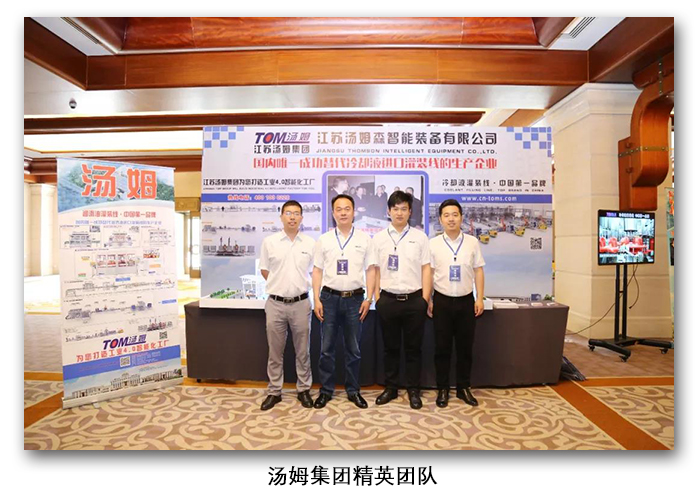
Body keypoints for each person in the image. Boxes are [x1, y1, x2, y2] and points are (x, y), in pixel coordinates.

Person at [312, 194, 376, 409]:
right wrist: (316, 299)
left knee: (353, 349)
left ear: (354, 212)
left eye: (347, 208)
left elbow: (371, 270)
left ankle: (353, 390)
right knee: (326, 349)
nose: (343, 213)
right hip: (328, 299)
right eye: (338, 209)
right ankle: (326, 391)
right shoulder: (324, 239)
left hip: (355, 299)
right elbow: (317, 270)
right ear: (333, 213)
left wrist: (369, 298)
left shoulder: (365, 239)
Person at [372, 190, 431, 409]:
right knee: (391, 348)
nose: (399, 213)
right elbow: (376, 270)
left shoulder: (420, 237)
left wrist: (424, 299)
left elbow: (426, 269)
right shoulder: (379, 238)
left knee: (414, 348)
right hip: (388, 300)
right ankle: (391, 388)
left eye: (403, 209)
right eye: (395, 209)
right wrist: (378, 298)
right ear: (388, 211)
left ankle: (414, 389)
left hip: (414, 301)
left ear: (410, 212)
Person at [258, 200, 316, 411]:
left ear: (302, 218)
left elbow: (315, 272)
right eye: (288, 213)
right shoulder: (270, 242)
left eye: (296, 213)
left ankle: (304, 389)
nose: (292, 217)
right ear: (281, 217)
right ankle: (274, 391)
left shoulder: (310, 243)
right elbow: (264, 270)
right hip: (275, 304)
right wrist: (280, 285)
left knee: (303, 351)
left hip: (301, 304)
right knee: (275, 352)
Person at [428, 199, 485, 407]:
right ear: (440, 219)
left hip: (466, 301)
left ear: (461, 217)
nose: (451, 219)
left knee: (465, 348)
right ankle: (442, 389)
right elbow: (429, 273)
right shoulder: (433, 244)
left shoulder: (472, 242)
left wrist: (479, 297)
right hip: (441, 301)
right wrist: (429, 299)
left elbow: (478, 270)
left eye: (455, 215)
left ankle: (463, 387)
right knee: (442, 348)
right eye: (446, 215)